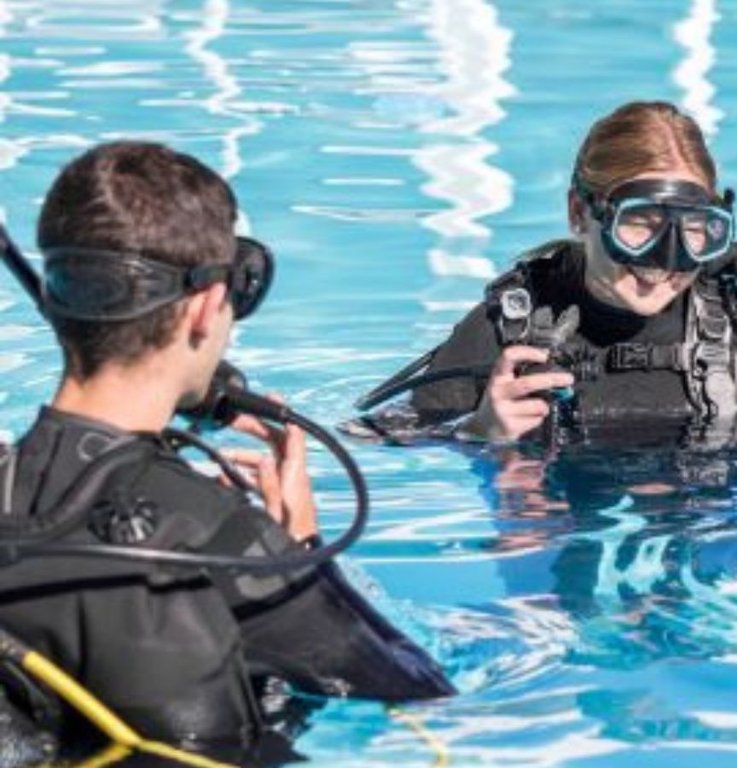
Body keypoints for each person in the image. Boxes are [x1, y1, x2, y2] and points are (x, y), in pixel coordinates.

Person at [0, 141, 452, 761]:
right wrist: (300, 555)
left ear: (57, 296)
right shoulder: (213, 530)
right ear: (208, 307)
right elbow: (416, 687)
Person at [353, 100, 737, 444]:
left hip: (703, 545)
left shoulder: (735, 332)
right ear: (581, 213)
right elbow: (366, 444)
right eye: (641, 224)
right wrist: (477, 433)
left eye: (697, 230)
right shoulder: (510, 329)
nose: (666, 260)